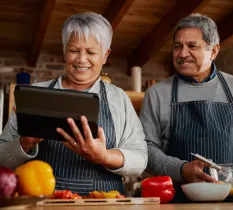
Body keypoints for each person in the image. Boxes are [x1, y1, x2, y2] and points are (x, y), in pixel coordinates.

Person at [0, 12, 147, 195]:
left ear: (105, 55)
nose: (81, 59)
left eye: (91, 52)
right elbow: (2, 159)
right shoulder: (35, 95)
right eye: (74, 50)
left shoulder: (119, 99)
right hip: (45, 204)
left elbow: (140, 160)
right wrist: (25, 143)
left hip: (105, 204)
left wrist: (105, 156)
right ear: (64, 50)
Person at [140, 13, 233, 203]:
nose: (182, 53)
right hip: (178, 202)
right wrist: (181, 169)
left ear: (214, 51)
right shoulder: (156, 93)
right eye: (177, 46)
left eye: (192, 46)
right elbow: (146, 149)